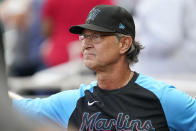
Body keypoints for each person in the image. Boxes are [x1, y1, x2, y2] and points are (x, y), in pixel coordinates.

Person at [13, 5, 196, 131]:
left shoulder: (163, 99)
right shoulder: (72, 102)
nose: (86, 44)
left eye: (97, 37)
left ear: (124, 44)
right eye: (84, 36)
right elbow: (11, 108)